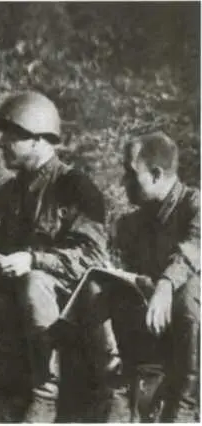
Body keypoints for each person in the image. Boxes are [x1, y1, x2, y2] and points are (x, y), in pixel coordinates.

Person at [0, 91, 114, 422]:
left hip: (66, 308)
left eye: (11, 136)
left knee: (35, 282)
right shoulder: (5, 197)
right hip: (15, 305)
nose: (1, 144)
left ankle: (46, 396)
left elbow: (92, 257)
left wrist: (33, 260)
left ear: (37, 138)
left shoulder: (75, 188)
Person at [75, 132, 200, 422]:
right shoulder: (132, 222)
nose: (123, 182)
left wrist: (166, 284)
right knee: (97, 287)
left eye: (131, 174)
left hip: (191, 315)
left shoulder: (195, 205)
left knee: (190, 291)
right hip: (152, 321)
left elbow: (196, 248)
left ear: (155, 175)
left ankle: (187, 404)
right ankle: (117, 386)